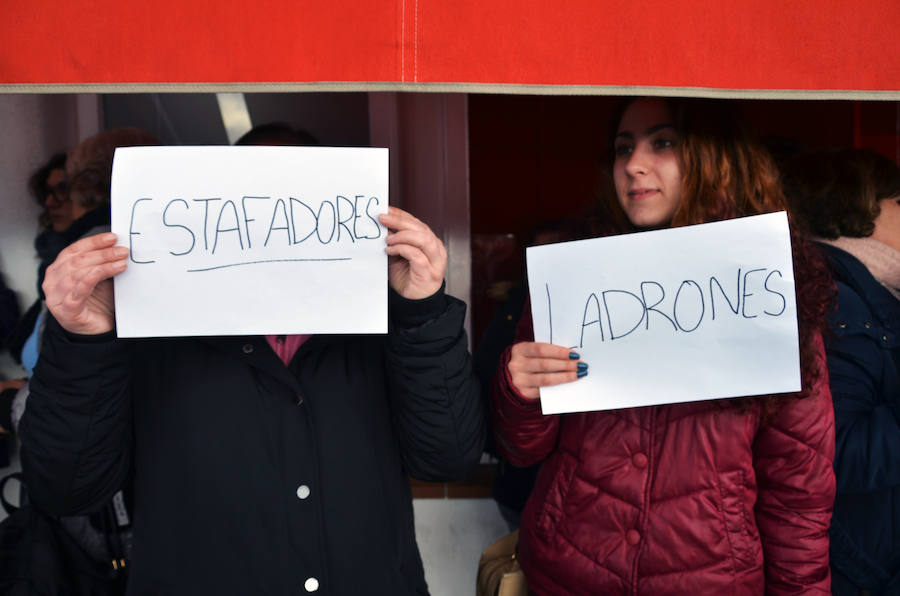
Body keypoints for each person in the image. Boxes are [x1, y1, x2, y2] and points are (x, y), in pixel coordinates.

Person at [18, 142, 485, 596]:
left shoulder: (380, 318)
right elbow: (67, 488)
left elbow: (449, 458)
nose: (272, 226)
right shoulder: (149, 324)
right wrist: (84, 338)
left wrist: (422, 313)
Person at [491, 97, 836, 594]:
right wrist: (518, 391)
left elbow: (797, 490)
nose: (634, 163)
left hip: (711, 579)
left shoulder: (767, 289)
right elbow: (522, 451)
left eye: (664, 142)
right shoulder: (574, 280)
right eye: (623, 147)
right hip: (570, 572)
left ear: (718, 157)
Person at [782, 148, 900, 595]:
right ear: (860, 212)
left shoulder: (869, 289)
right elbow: (838, 453)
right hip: (863, 566)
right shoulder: (840, 298)